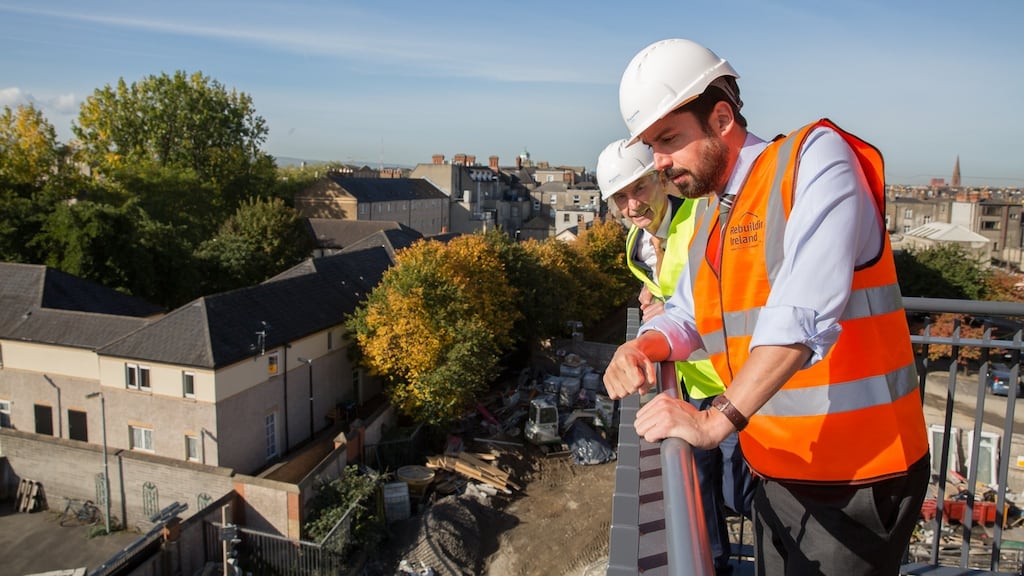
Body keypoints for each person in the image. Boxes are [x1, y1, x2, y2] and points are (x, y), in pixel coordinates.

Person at [603, 38, 930, 576]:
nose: (659, 163)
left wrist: (716, 420)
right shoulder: (714, 212)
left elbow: (801, 313)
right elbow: (687, 314)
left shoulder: (813, 159)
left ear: (722, 118)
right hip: (778, 466)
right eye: (652, 146)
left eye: (669, 140)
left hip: (858, 473)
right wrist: (642, 347)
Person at [596, 139, 755, 574]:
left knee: (741, 491)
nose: (632, 205)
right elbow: (667, 287)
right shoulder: (638, 243)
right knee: (698, 486)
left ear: (661, 179)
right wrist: (657, 300)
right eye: (620, 198)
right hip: (691, 382)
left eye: (639, 188)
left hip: (732, 381)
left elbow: (716, 294)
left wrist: (668, 306)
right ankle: (715, 565)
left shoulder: (700, 218)